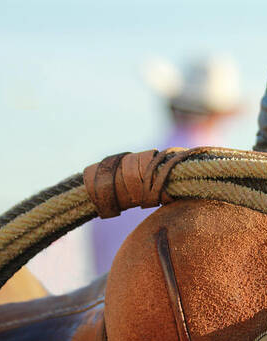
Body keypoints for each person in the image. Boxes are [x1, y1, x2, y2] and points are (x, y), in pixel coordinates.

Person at [90, 56, 241, 275]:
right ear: (221, 116)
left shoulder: (114, 175)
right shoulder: (229, 176)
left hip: (107, 305)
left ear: (171, 108)